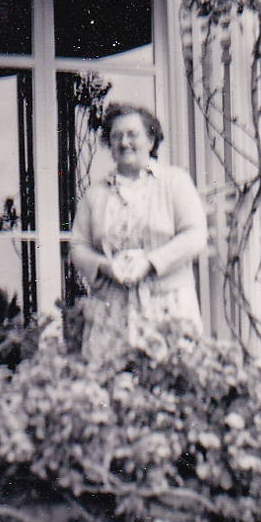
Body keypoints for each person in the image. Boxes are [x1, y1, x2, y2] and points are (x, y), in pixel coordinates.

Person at [70, 103, 208, 361]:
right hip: (111, 310)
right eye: (116, 136)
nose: (124, 143)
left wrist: (151, 262)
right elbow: (78, 246)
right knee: (111, 386)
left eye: (132, 134)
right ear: (109, 144)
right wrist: (103, 266)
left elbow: (195, 234)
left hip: (168, 306)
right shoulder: (95, 194)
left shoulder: (174, 182)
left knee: (171, 383)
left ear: (151, 140)